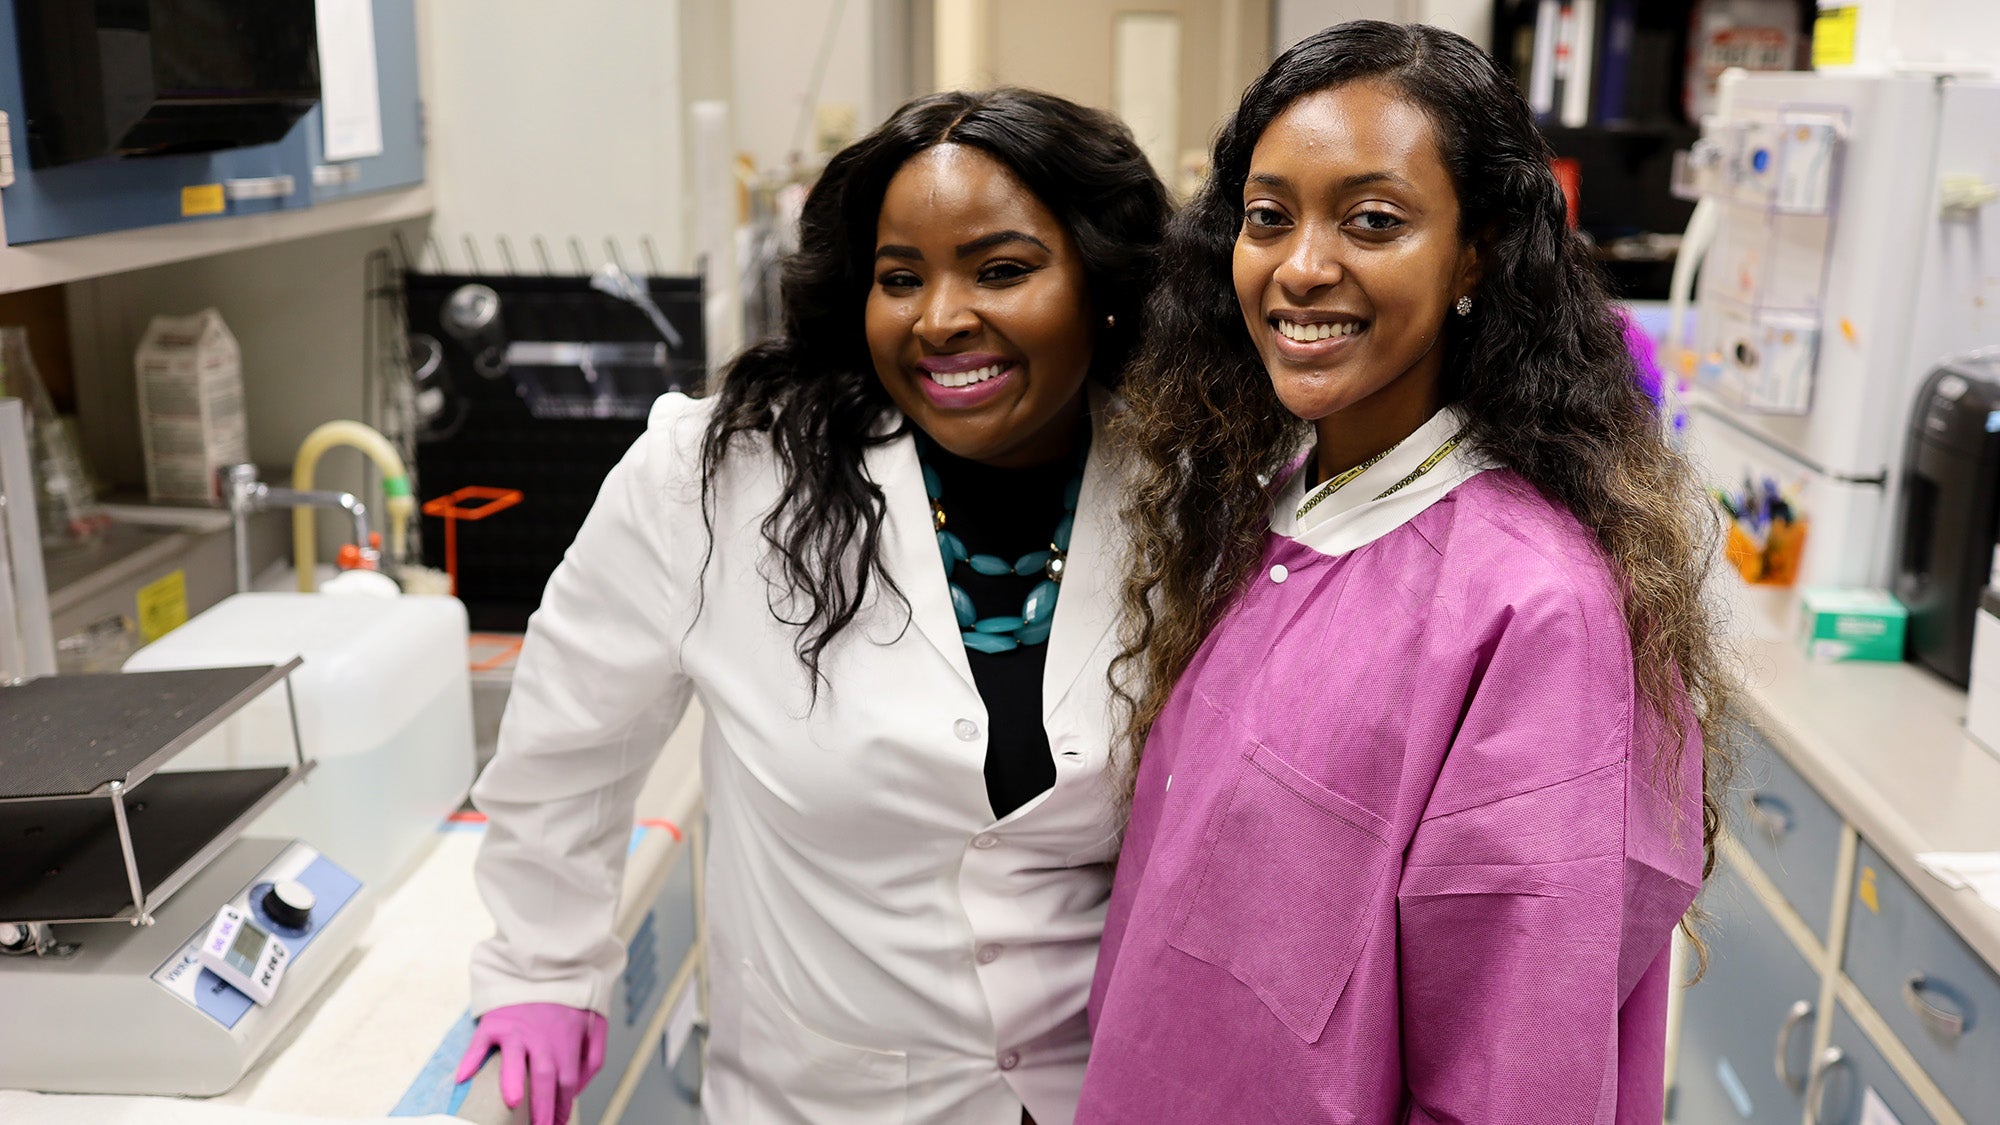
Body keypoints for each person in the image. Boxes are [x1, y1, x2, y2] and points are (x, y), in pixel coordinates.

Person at [454, 89, 1169, 1125]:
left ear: (1101, 283)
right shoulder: (715, 480)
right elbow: (565, 752)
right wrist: (539, 967)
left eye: (1002, 269)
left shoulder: (1187, 489)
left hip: (1108, 1091)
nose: (939, 318)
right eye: (898, 278)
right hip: (828, 1100)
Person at [1076, 21, 1735, 1124]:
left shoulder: (1532, 609)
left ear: (1474, 252)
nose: (1300, 266)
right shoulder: (1263, 508)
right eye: (1266, 217)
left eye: (1371, 221)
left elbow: (1514, 1069)